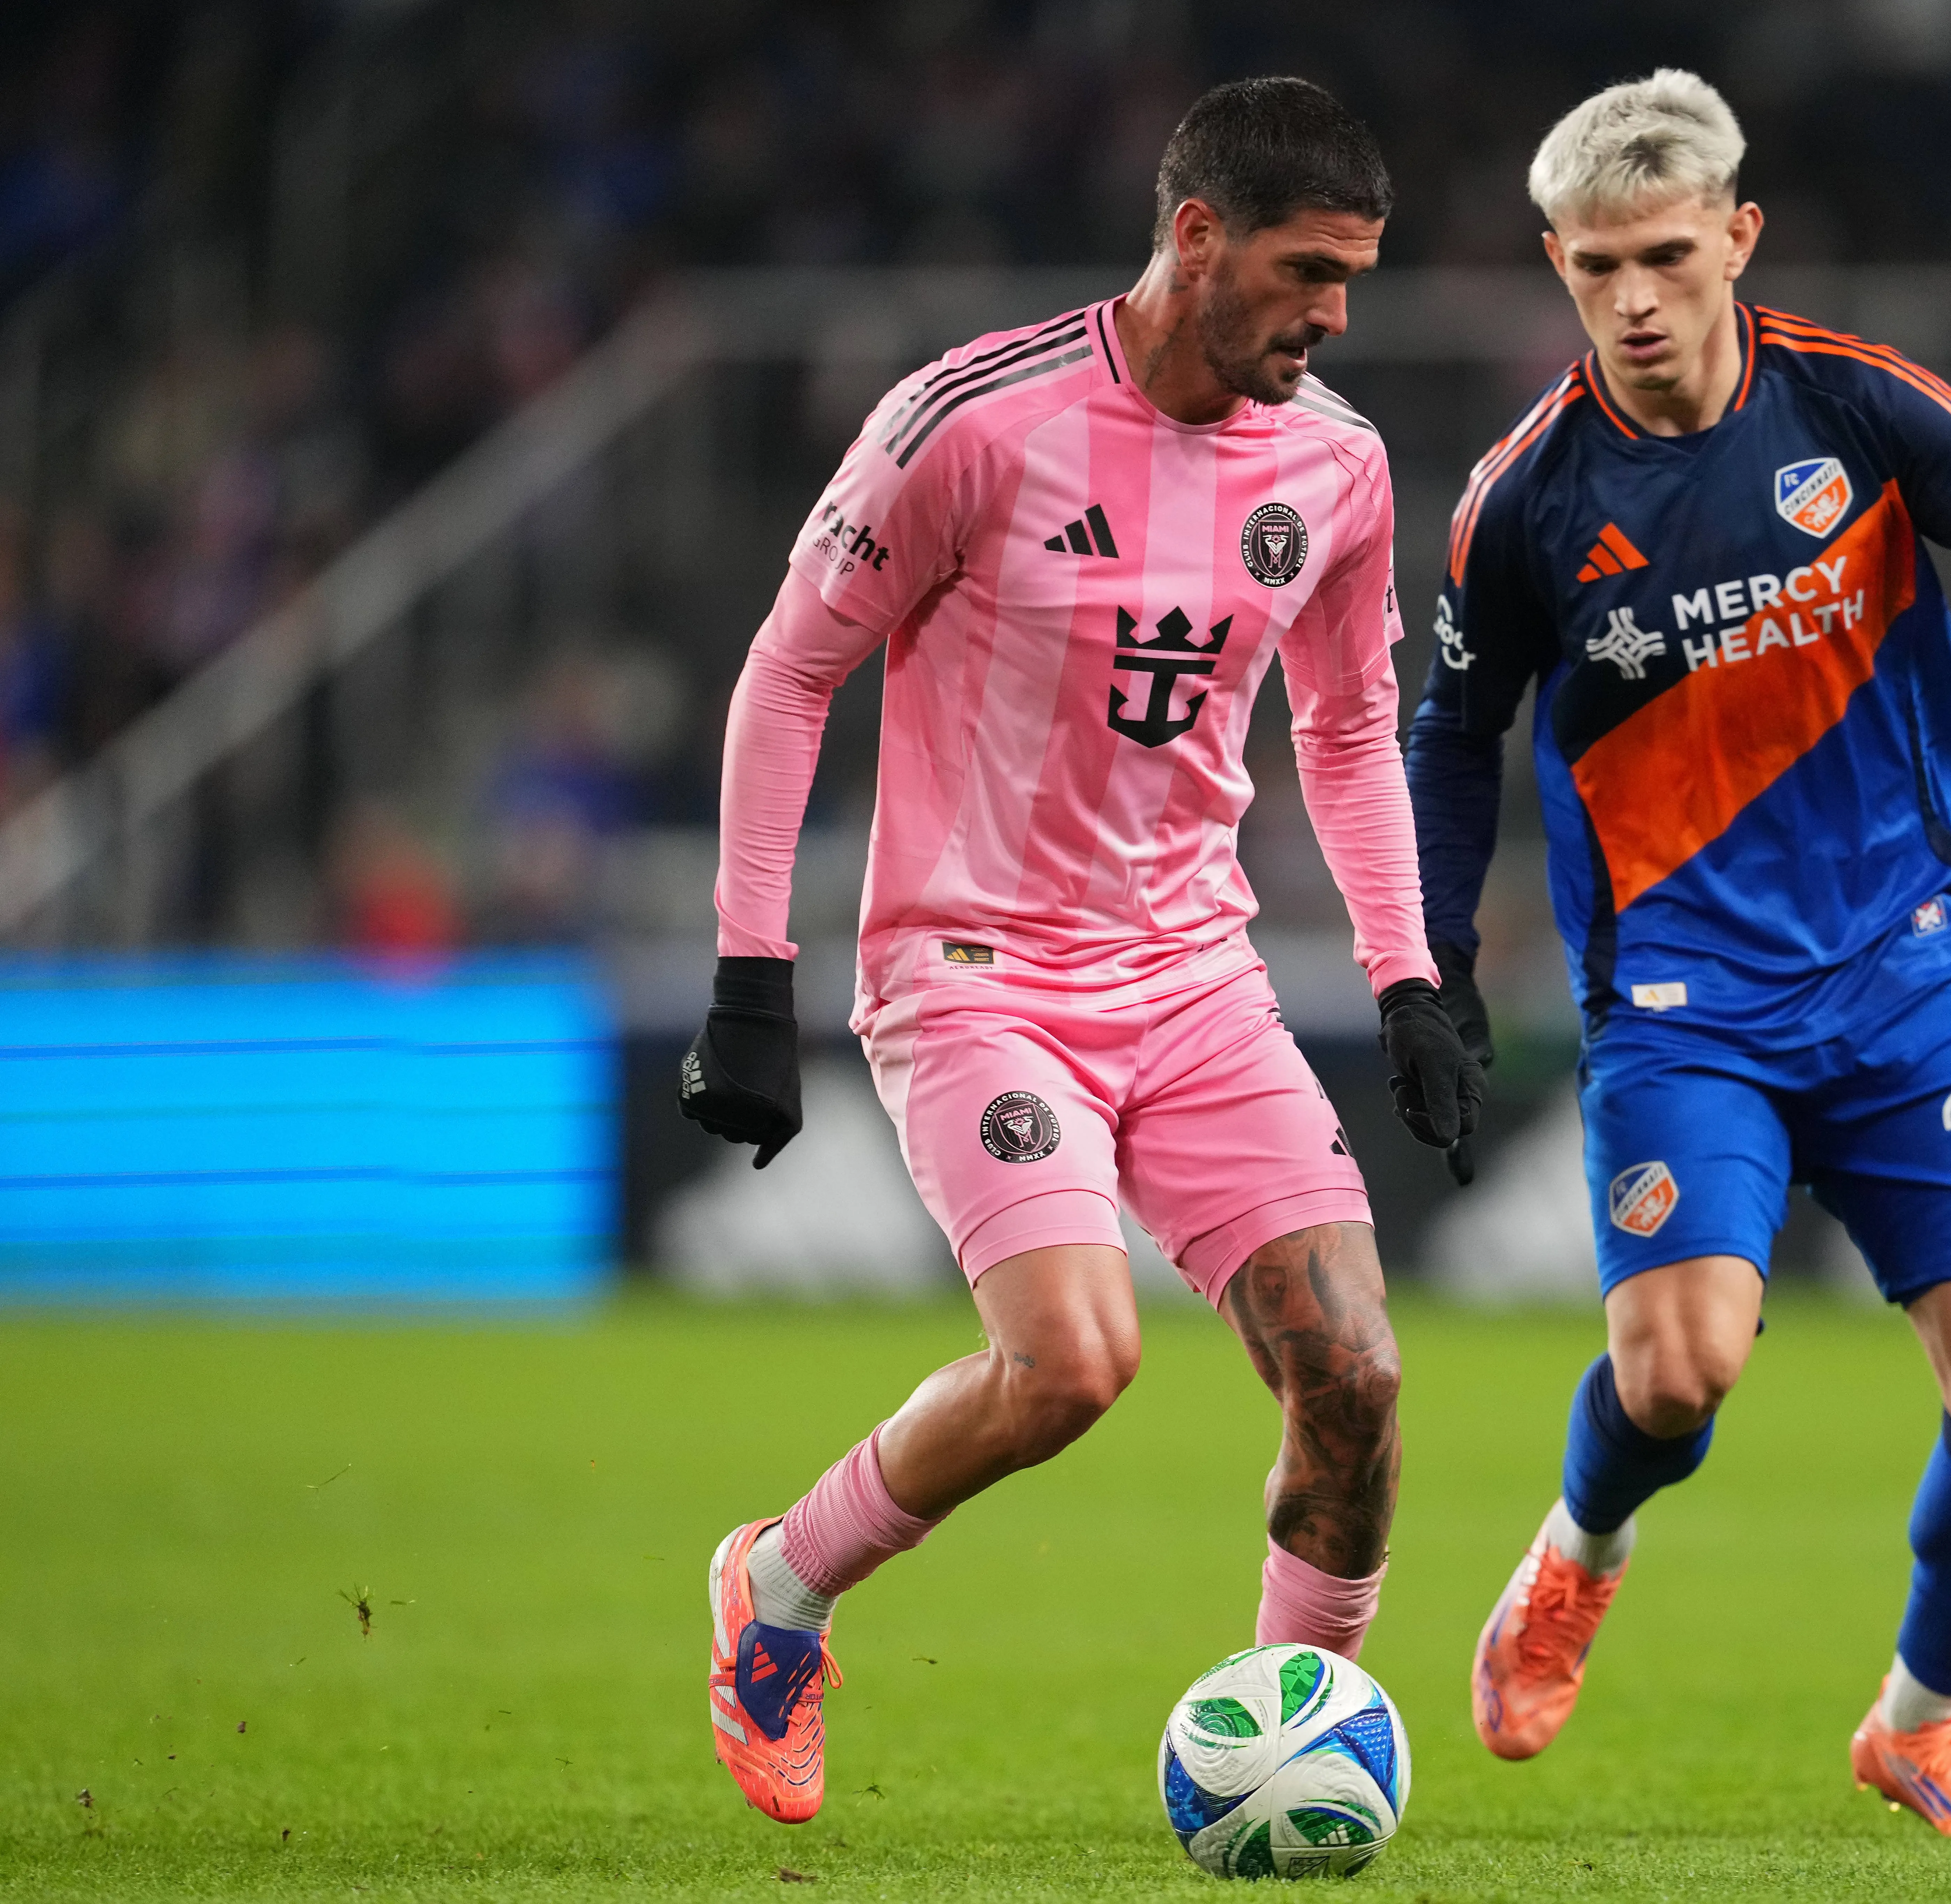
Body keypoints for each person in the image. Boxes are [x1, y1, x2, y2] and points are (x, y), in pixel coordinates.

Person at [676, 77, 1478, 1827]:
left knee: (1355, 1375)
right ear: (1196, 237)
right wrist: (750, 970)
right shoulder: (972, 420)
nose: (1336, 317)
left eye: (1353, 278)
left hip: (1194, 978)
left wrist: (1408, 975)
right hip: (974, 969)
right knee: (1074, 1360)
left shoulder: (1335, 464)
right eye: (1309, 271)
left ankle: (1295, 1735)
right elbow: (791, 671)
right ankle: (779, 1585)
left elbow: (1348, 728)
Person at [1405, 71, 1951, 1840]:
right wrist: (1431, 964)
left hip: (1907, 972)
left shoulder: (1863, 402)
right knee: (1679, 1369)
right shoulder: (1525, 497)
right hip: (1684, 1000)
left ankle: (1924, 1721)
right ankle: (1580, 1546)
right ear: (1557, 262)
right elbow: (1453, 734)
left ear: (1739, 237)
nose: (1635, 299)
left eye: (1667, 256)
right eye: (1596, 266)